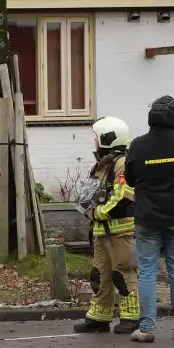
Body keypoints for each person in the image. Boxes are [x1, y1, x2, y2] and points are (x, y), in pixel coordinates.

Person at [124, 96, 174, 342]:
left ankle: (146, 329)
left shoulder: (138, 146)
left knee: (147, 271)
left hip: (148, 217)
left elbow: (130, 179)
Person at [74, 116, 141, 336]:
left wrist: (98, 213)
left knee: (123, 272)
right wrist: (89, 209)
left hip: (120, 229)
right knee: (100, 274)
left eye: (97, 138)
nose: (94, 142)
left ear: (107, 138)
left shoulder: (122, 163)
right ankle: (99, 317)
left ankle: (131, 317)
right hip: (104, 229)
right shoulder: (105, 164)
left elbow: (123, 196)